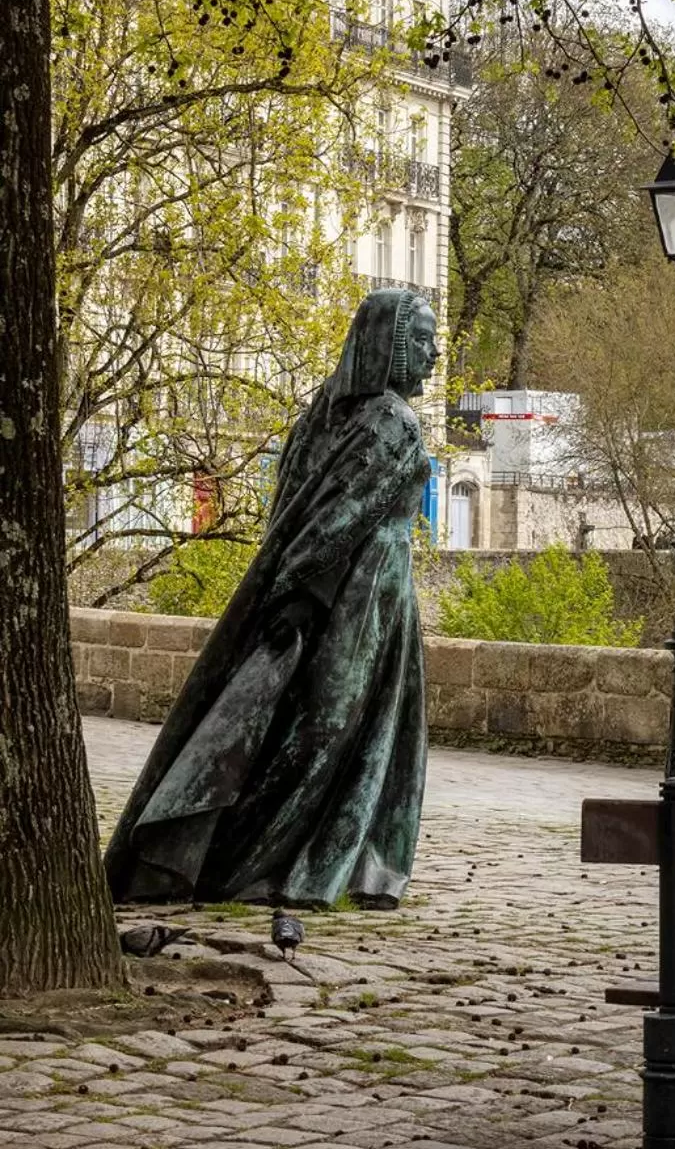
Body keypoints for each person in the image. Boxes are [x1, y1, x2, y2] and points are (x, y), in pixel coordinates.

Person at [105, 289, 440, 910]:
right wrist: (307, 592)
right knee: (330, 728)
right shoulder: (391, 421)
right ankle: (285, 861)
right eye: (420, 340)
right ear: (386, 345)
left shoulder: (323, 415)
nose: (434, 354)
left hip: (347, 587)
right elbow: (338, 517)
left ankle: (258, 857)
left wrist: (295, 588)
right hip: (363, 590)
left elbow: (303, 514)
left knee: (315, 726)